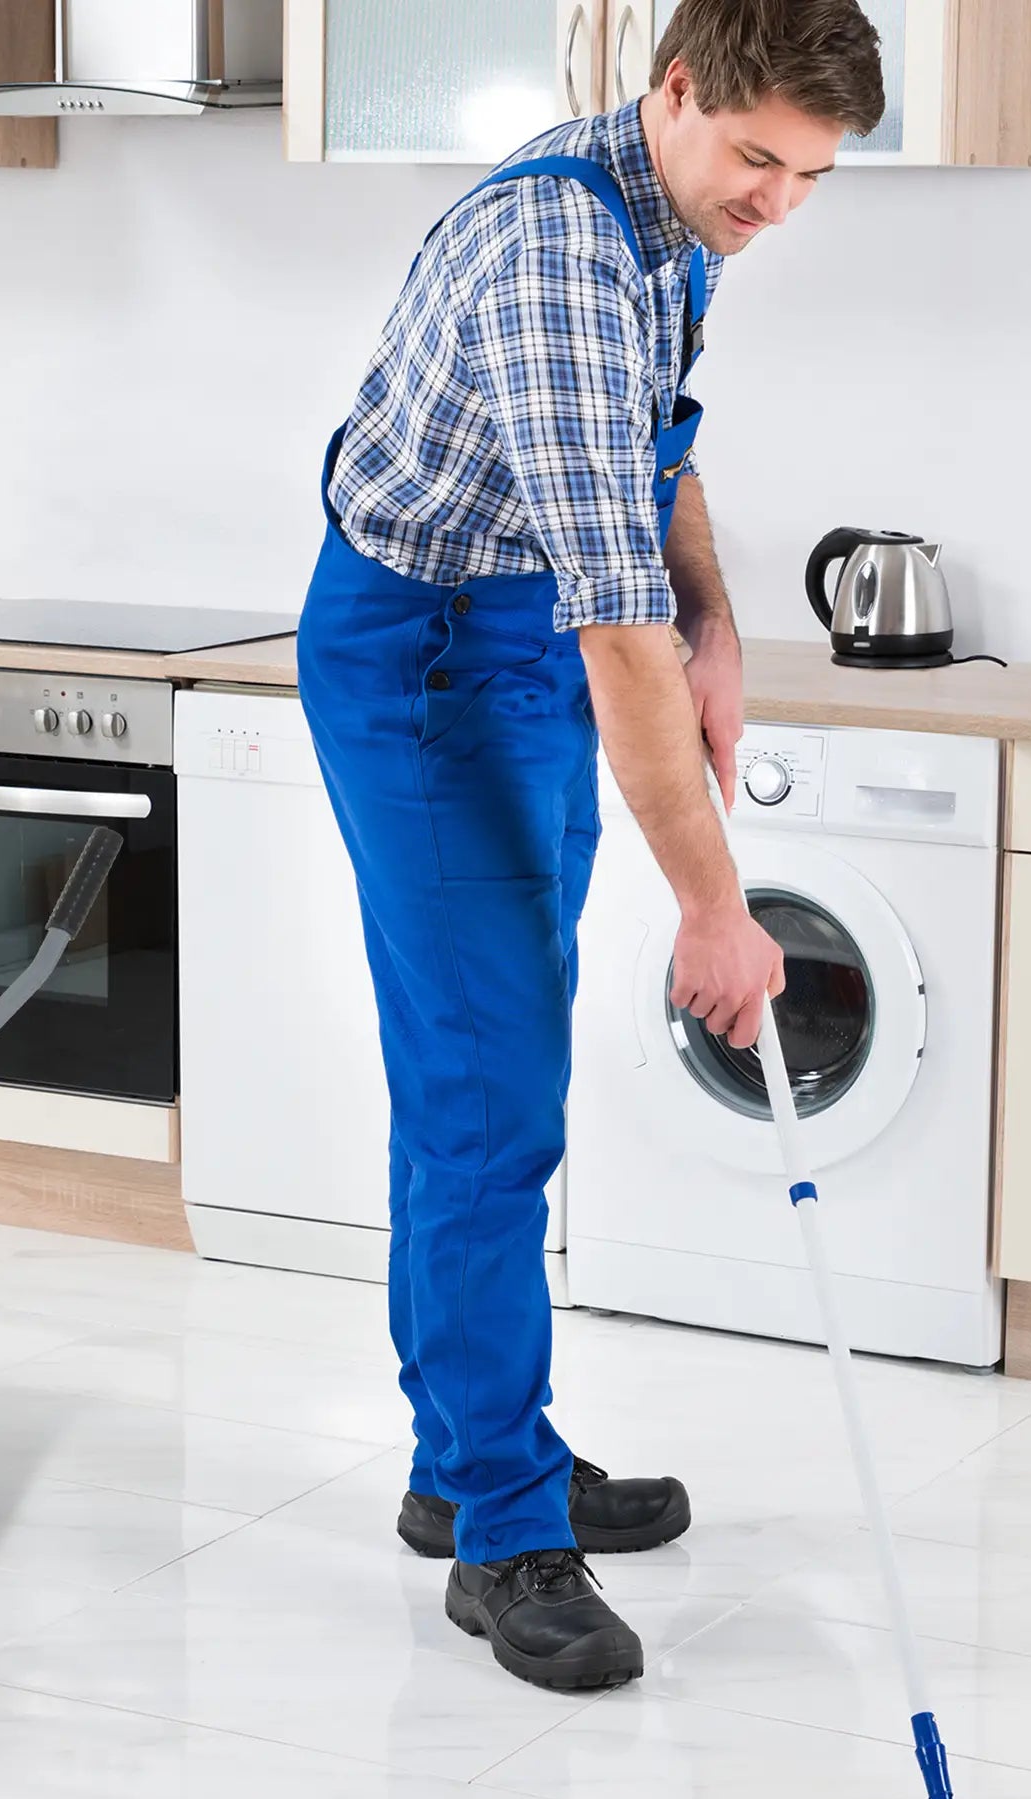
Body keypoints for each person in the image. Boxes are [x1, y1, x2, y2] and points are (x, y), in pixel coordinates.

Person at [298, 0, 886, 1691]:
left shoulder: (673, 213)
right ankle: (503, 1533)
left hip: (524, 632)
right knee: (490, 1101)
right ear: (675, 90)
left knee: (481, 1070)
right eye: (758, 159)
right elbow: (609, 627)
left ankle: (468, 1459)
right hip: (422, 652)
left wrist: (723, 623)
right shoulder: (555, 255)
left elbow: (659, 451)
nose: (777, 204)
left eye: (813, 175)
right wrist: (721, 910)